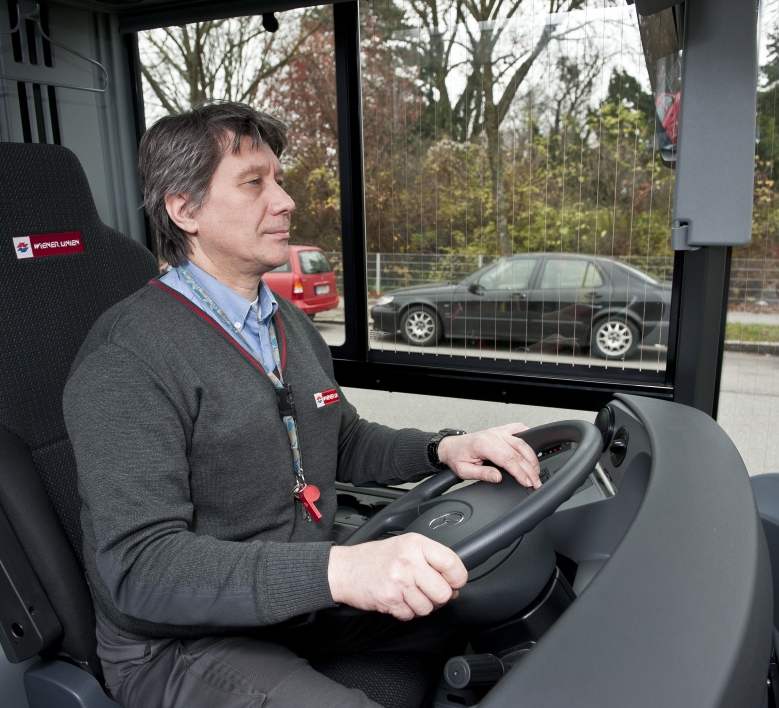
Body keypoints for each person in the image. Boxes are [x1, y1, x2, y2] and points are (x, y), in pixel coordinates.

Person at [63, 102, 542, 708]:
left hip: (295, 602)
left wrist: (444, 447)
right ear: (185, 210)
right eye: (254, 183)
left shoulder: (281, 318)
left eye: (279, 179)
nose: (285, 200)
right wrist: (341, 572)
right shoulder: (128, 355)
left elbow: (338, 439)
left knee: (483, 608)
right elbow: (139, 568)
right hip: (181, 645)